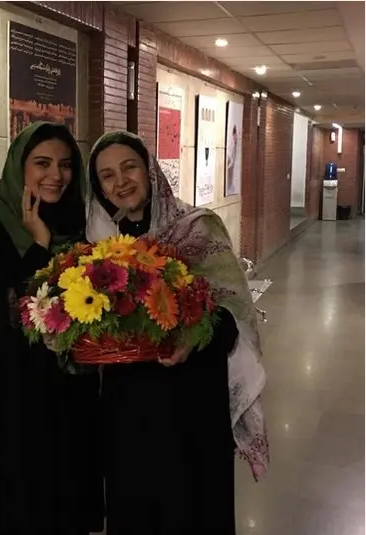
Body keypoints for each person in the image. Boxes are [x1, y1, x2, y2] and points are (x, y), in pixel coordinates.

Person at [86, 131, 268, 535]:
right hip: (128, 408)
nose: (121, 182)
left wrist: (192, 337)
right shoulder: (100, 246)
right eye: (107, 175)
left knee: (191, 511)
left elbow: (234, 316)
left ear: (150, 171)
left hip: (189, 405)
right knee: (134, 510)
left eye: (130, 167)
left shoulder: (198, 228)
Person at [0, 122, 104, 534]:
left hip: (75, 391)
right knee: (28, 508)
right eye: (42, 163)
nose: (56, 175)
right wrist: (40, 243)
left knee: (72, 504)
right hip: (21, 393)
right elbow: (15, 315)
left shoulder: (81, 228)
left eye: (65, 165)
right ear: (20, 167)